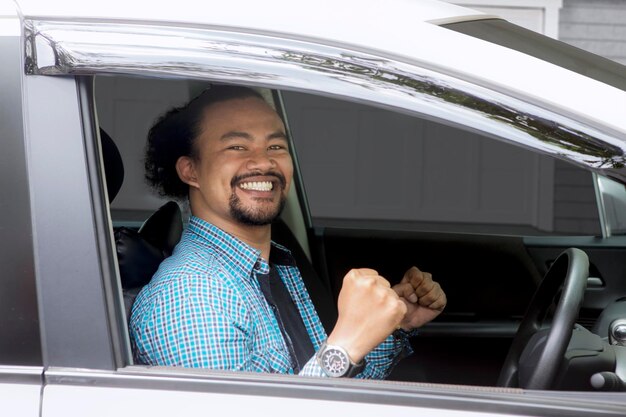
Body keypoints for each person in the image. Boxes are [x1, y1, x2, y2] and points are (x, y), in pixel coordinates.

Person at [129, 85, 446, 378]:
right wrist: (345, 344)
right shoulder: (191, 297)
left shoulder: (274, 266)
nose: (263, 162)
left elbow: (331, 390)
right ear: (191, 170)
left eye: (276, 145)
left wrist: (393, 324)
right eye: (237, 146)